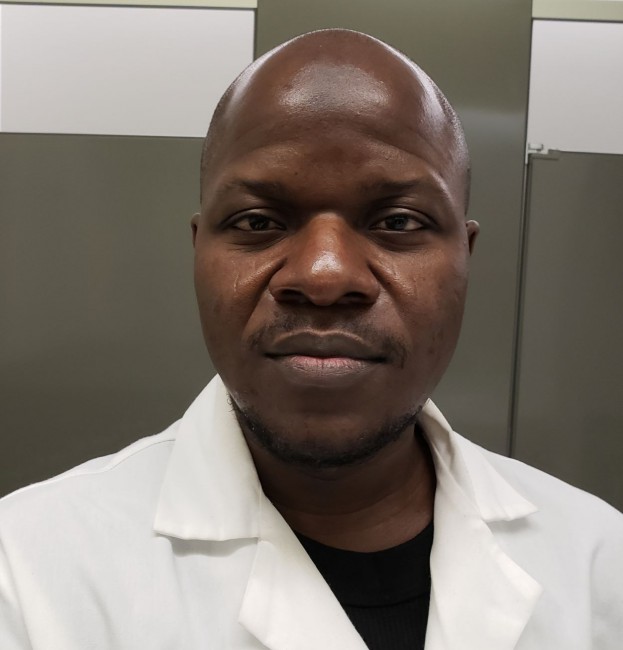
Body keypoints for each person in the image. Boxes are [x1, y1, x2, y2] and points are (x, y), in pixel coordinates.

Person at [0, 29, 621, 650]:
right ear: (198, 250)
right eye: (258, 222)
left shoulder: (599, 561)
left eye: (398, 221)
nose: (325, 277)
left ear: (466, 256)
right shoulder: (28, 573)